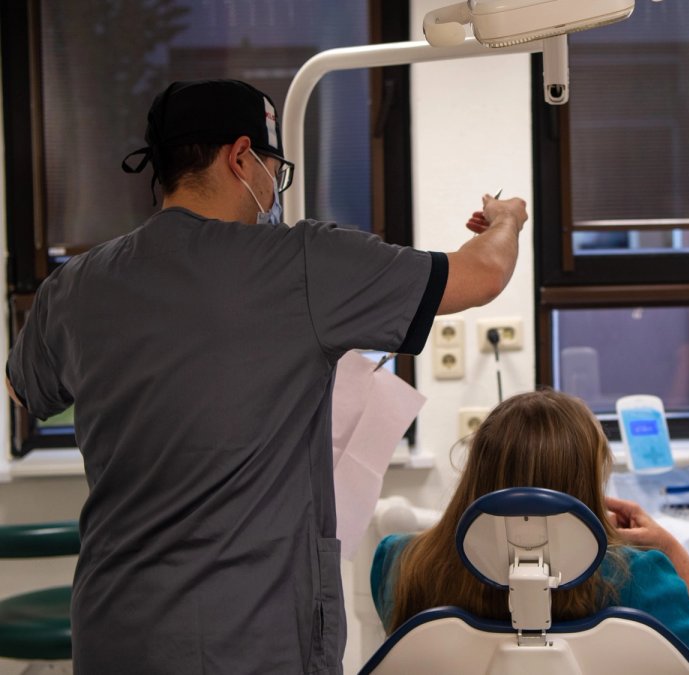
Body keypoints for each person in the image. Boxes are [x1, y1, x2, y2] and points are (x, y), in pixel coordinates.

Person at [5, 79, 528, 674]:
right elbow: (483, 274)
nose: (273, 187)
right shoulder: (303, 264)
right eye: (273, 170)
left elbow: (22, 388)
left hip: (113, 633)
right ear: (240, 157)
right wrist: (505, 219)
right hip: (250, 639)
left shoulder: (76, 285)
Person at [370, 389, 689, 675]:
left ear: (477, 477)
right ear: (586, 486)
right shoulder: (642, 578)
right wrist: (671, 550)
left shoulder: (399, 562)